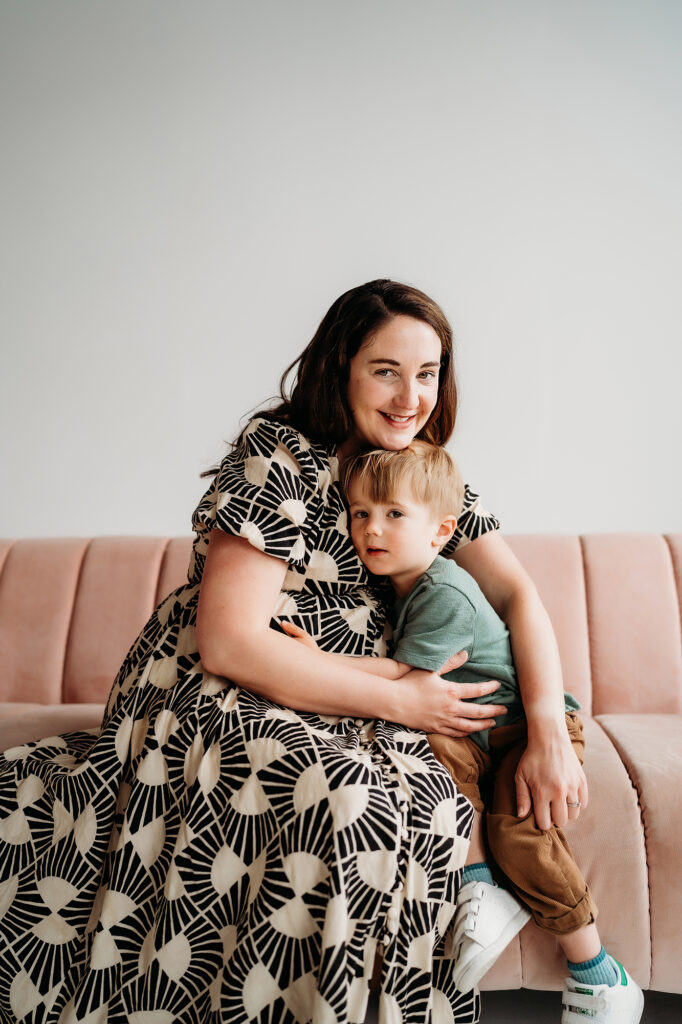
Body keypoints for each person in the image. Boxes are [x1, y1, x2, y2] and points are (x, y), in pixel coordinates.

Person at [0, 279, 580, 1024]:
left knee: (430, 803)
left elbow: (519, 598)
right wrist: (402, 698)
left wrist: (547, 735)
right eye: (386, 370)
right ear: (341, 366)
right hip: (227, 685)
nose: (411, 396)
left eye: (428, 374)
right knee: (350, 801)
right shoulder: (280, 454)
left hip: (351, 692)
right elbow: (230, 642)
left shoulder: (425, 475)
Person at [285, 441, 643, 1023]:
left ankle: (601, 974)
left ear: (441, 530)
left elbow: (405, 677)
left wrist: (314, 661)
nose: (371, 529)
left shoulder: (444, 592)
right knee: (422, 753)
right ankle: (480, 883)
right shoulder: (404, 585)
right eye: (360, 514)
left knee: (520, 834)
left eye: (394, 514)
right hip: (469, 726)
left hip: (520, 727)